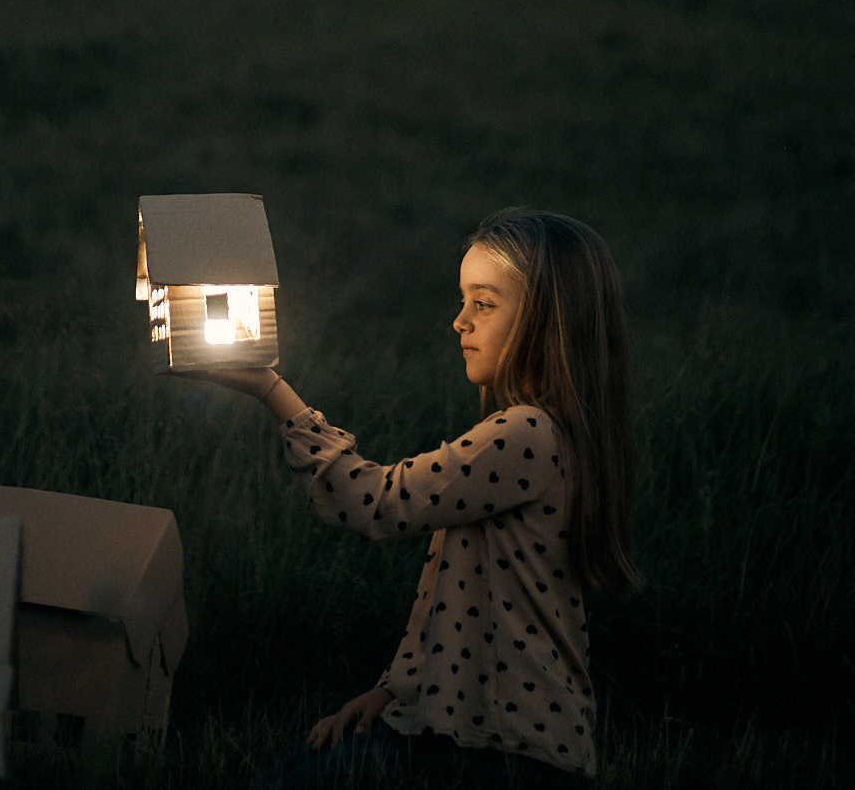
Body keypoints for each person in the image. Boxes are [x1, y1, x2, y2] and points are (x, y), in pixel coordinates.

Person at [197, 207, 640, 787]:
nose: (460, 321)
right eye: (463, 301)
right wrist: (394, 691)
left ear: (547, 320)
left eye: (484, 304)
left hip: (498, 753)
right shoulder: (549, 434)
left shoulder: (526, 435)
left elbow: (375, 500)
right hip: (491, 739)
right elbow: (463, 598)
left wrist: (271, 390)